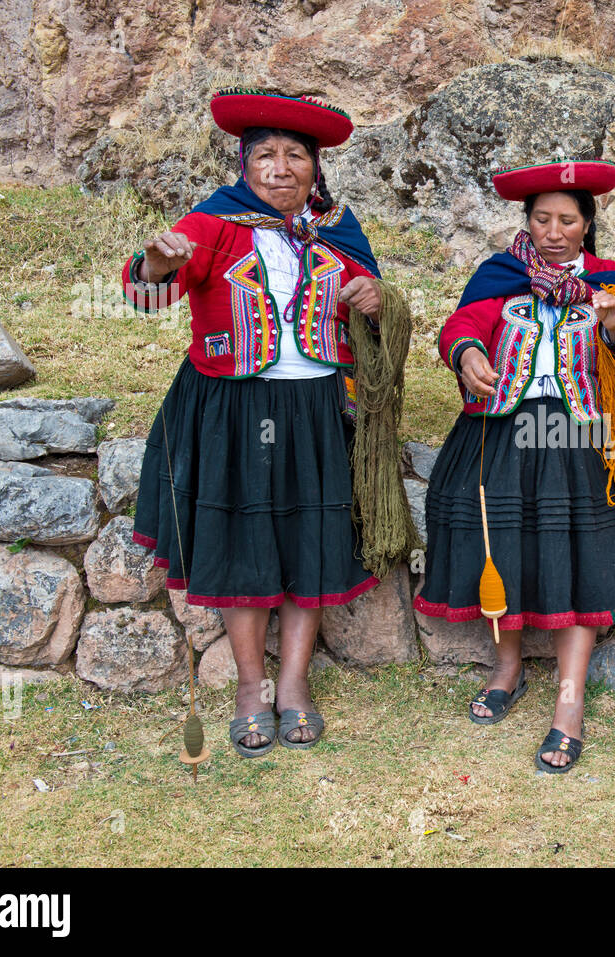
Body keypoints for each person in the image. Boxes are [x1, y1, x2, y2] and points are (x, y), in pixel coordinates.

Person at [122, 89, 390, 757]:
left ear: (314, 167)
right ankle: (251, 687)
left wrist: (377, 299)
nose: (279, 167)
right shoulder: (215, 222)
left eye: (294, 155)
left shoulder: (338, 229)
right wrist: (157, 263)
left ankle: (294, 683)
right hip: (234, 408)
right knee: (244, 541)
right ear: (244, 164)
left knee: (311, 537)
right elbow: (147, 292)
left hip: (318, 408)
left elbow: (380, 309)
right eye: (265, 154)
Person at [415, 158, 615, 773]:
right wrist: (469, 351)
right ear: (526, 221)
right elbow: (463, 323)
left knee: (578, 559)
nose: (553, 231)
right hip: (503, 431)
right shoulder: (498, 276)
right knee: (496, 549)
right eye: (542, 219)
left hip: (582, 436)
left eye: (567, 220)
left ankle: (570, 699)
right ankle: (507, 668)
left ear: (587, 225)